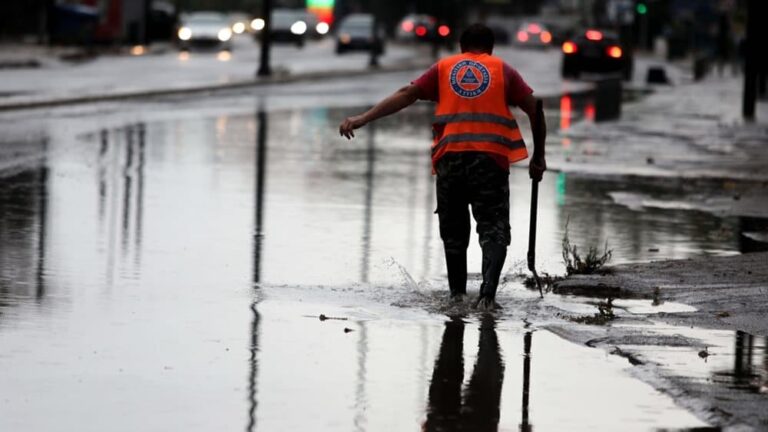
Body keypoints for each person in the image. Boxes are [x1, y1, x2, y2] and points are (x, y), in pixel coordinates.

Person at [339, 23, 546, 310]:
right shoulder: (503, 70)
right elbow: (535, 108)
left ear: (461, 47)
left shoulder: (445, 68)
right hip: (490, 160)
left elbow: (406, 94)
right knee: (493, 229)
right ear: (491, 48)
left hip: (451, 160)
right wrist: (539, 157)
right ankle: (487, 296)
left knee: (453, 232)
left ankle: (457, 297)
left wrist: (364, 118)